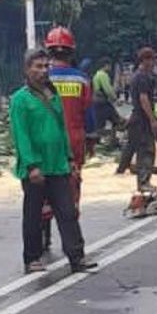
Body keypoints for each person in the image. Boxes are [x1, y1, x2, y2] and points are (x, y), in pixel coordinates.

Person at [9, 47, 96, 274]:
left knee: (67, 212)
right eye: (37, 67)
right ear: (27, 70)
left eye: (46, 66)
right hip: (36, 167)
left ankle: (77, 256)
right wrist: (31, 165)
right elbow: (21, 135)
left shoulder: (53, 94)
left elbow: (61, 128)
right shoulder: (20, 100)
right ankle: (32, 257)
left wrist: (69, 158)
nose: (43, 71)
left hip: (58, 163)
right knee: (34, 214)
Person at [40, 27, 96, 251]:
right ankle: (72, 239)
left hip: (46, 142)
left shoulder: (41, 79)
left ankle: (44, 233)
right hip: (74, 141)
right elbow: (89, 114)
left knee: (43, 187)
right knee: (71, 186)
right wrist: (91, 140)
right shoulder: (82, 80)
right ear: (72, 52)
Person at [127, 47, 157, 193]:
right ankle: (144, 182)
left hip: (139, 118)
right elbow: (144, 99)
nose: (154, 63)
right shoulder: (142, 77)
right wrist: (152, 120)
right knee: (146, 151)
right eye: (152, 59)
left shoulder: (139, 75)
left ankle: (143, 181)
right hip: (142, 119)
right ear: (145, 60)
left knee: (142, 150)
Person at [92, 57, 123, 135]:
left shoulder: (96, 74)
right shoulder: (103, 75)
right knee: (117, 120)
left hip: (97, 102)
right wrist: (116, 99)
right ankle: (112, 140)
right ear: (106, 65)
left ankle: (104, 141)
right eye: (109, 65)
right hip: (103, 103)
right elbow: (108, 89)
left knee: (100, 124)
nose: (110, 67)